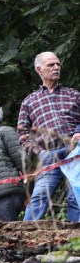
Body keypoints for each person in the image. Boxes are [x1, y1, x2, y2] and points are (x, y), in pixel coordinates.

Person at [18, 51, 80, 221]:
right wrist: (40, 153)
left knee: (76, 198)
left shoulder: (73, 94)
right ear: (39, 70)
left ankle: (76, 242)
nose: (56, 67)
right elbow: (23, 134)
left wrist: (78, 131)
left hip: (75, 154)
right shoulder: (29, 101)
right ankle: (24, 239)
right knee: (38, 198)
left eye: (58, 64)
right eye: (51, 65)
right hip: (49, 156)